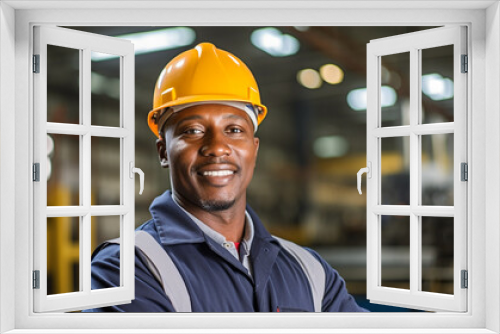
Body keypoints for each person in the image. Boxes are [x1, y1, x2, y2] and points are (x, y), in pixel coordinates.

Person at [87, 42, 367, 312]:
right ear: (163, 152)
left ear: (254, 150)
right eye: (192, 130)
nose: (217, 147)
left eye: (234, 130)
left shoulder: (311, 271)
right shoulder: (125, 269)